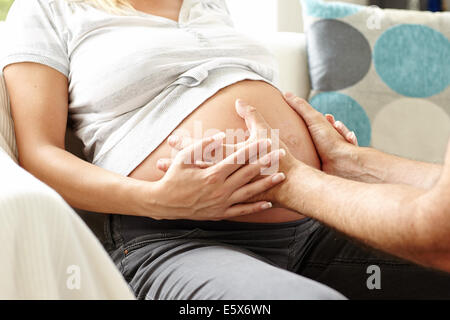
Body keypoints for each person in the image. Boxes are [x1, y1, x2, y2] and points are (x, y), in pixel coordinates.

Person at [2, 0, 449, 299]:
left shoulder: (207, 4)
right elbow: (38, 156)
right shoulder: (47, 8)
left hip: (317, 223)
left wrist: (337, 156)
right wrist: (157, 200)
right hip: (176, 239)